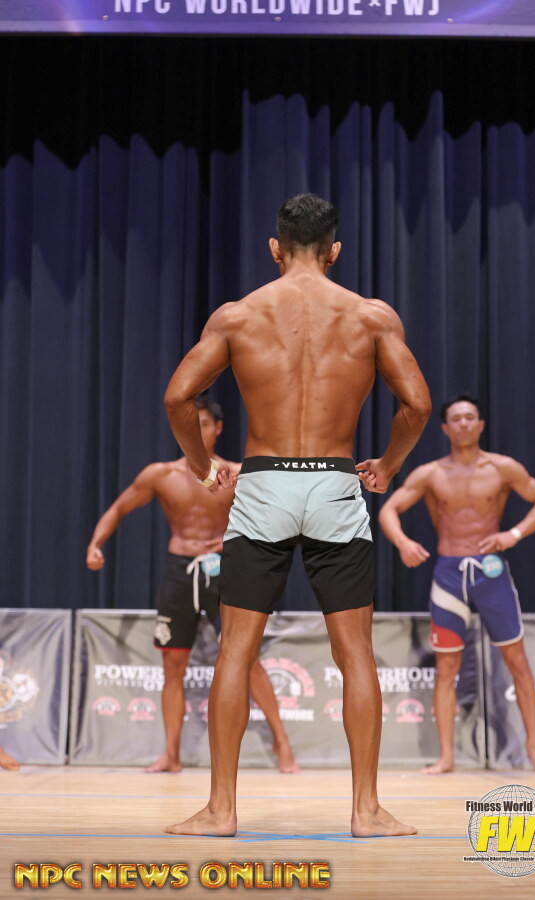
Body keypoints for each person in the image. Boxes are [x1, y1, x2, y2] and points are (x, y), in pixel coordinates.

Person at [163, 192, 431, 837]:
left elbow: (178, 397)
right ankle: (366, 810)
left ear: (274, 249)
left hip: (265, 485)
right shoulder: (370, 316)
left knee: (236, 650)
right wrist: (390, 464)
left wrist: (201, 464)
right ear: (334, 251)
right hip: (334, 484)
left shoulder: (239, 315)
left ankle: (221, 811)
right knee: (355, 652)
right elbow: (418, 405)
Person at [87, 395, 299, 774]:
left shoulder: (237, 473)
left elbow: (281, 517)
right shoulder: (161, 475)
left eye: (204, 424)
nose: (198, 432)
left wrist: (235, 541)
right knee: (173, 664)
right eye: (191, 425)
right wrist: (95, 544)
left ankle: (283, 744)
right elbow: (119, 508)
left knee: (246, 658)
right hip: (180, 570)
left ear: (218, 428)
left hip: (225, 570)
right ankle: (171, 754)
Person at [379, 393, 535, 775]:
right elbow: (389, 509)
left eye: (469, 417)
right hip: (448, 575)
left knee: (517, 661)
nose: (463, 423)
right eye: (456, 418)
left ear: (480, 425)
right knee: (447, 668)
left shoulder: (502, 467)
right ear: (445, 428)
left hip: (491, 573)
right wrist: (404, 542)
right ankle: (446, 756)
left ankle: (534, 749)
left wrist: (513, 534)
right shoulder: (430, 473)